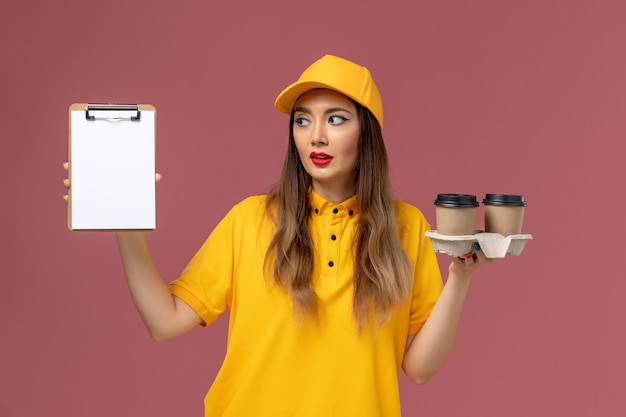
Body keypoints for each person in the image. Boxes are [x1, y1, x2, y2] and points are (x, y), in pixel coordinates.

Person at [64, 54, 489, 416]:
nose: (316, 136)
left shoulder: (407, 227)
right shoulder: (250, 219)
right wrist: (125, 218)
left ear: (368, 134)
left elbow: (419, 369)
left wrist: (460, 277)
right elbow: (164, 321)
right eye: (302, 121)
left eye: (336, 119)